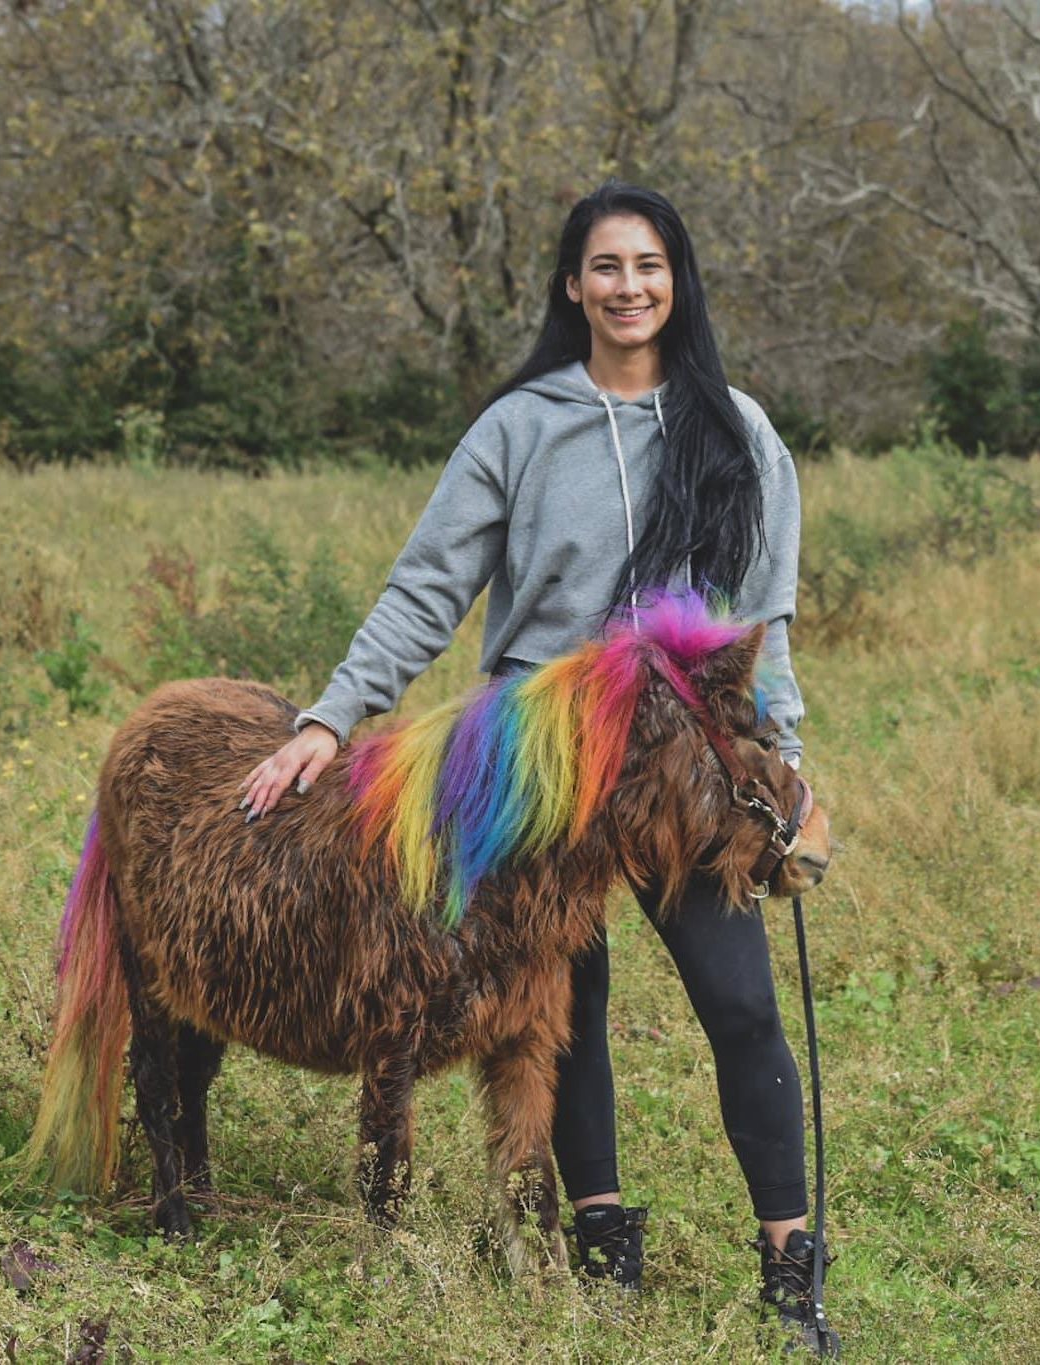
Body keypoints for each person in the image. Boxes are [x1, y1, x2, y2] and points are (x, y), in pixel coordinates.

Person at [239, 182, 839, 1357]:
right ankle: (602, 1239)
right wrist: (328, 718)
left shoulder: (740, 431)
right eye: (606, 267)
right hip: (537, 765)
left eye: (650, 266)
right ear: (572, 286)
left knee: (741, 1005)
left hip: (685, 771)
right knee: (562, 1014)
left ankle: (790, 1263)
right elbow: (427, 588)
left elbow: (764, 624)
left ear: (679, 281)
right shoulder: (518, 428)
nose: (630, 287)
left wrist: (785, 774)